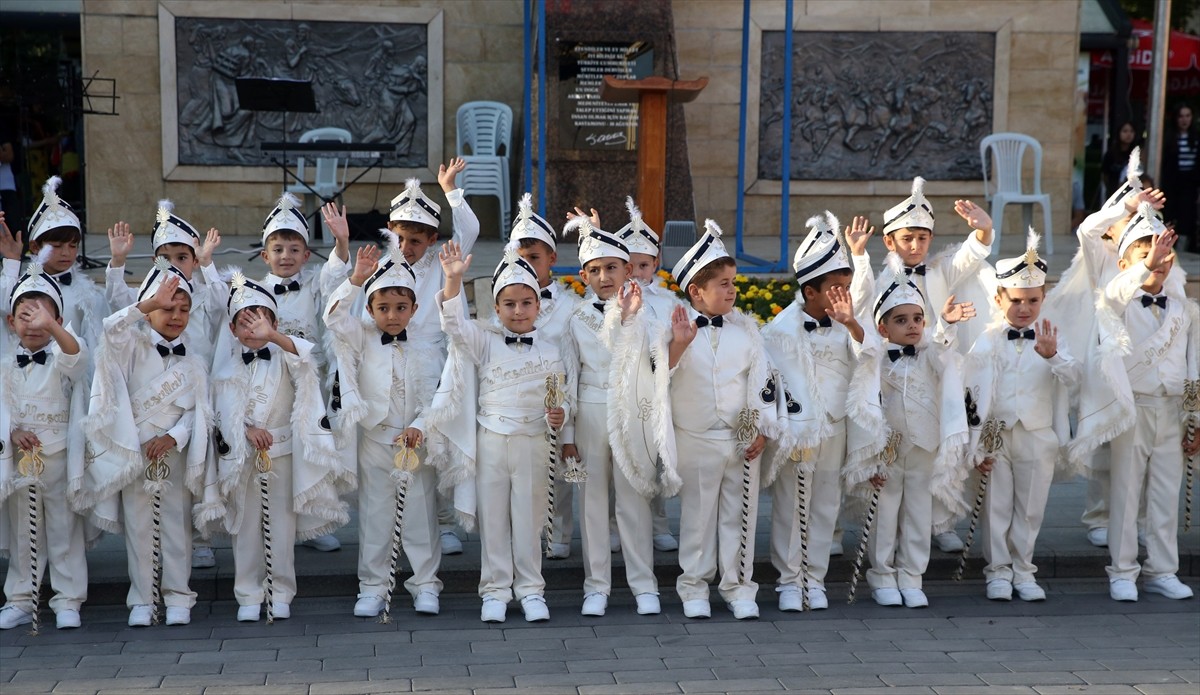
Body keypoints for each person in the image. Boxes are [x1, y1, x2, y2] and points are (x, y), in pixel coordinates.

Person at [848, 177, 995, 554]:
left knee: (944, 441)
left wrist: (984, 230)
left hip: (940, 367)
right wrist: (859, 257)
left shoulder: (941, 269)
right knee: (899, 458)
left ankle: (939, 519)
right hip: (896, 374)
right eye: (907, 238)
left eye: (922, 238)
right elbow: (862, 304)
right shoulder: (882, 277)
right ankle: (886, 532)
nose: (915, 246)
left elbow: (970, 256)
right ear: (890, 241)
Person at [429, 240, 571, 624]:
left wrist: (561, 414)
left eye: (526, 303)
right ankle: (493, 590)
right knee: (493, 519)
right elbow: (453, 324)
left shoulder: (552, 350)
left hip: (534, 444)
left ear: (538, 306)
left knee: (530, 518)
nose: (519, 311)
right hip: (492, 441)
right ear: (496, 308)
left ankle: (531, 589)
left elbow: (563, 396)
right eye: (509, 304)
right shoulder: (484, 340)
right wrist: (453, 280)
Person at [659, 220, 784, 620]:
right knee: (697, 517)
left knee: (741, 515)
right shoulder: (675, 330)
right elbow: (658, 376)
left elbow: (762, 380)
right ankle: (694, 586)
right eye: (723, 284)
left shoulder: (746, 332)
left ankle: (738, 585)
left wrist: (763, 429)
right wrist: (678, 346)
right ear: (696, 292)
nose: (732, 289)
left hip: (739, 439)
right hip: (695, 438)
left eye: (733, 281)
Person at [761, 212, 883, 612]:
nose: (843, 296)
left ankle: (815, 577)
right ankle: (789, 579)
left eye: (847, 288)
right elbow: (773, 384)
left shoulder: (850, 322)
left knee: (825, 505)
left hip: (835, 428)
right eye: (835, 289)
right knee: (791, 504)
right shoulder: (780, 330)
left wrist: (852, 325)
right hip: (799, 431)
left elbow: (870, 358)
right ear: (809, 291)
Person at [210, 273, 347, 622]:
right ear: (231, 328)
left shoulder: (285, 354)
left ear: (274, 323)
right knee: (245, 528)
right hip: (244, 457)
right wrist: (246, 430)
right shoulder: (225, 364)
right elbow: (221, 412)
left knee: (281, 529)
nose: (252, 330)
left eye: (261, 322)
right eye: (244, 323)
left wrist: (274, 337)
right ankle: (248, 593)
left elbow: (307, 360)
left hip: (282, 455)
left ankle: (281, 590)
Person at [83, 262, 213, 627]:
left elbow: (201, 412)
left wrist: (175, 436)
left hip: (174, 452)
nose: (175, 316)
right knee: (139, 529)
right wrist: (146, 303)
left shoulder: (195, 359)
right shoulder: (130, 347)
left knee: (176, 528)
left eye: (183, 309)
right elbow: (112, 328)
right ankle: (142, 597)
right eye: (166, 308)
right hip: (135, 451)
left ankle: (178, 595)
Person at [1046, 152, 1165, 549]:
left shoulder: (1154, 251)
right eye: (1124, 221)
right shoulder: (1102, 256)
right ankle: (1099, 514)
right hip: (1106, 361)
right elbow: (1087, 230)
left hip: (1147, 363)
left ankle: (1142, 517)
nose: (1129, 226)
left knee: (1144, 451)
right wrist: (1124, 205)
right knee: (1104, 444)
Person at [324, 238, 446, 618]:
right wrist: (356, 281)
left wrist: (420, 426)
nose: (392, 316)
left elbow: (440, 394)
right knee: (376, 516)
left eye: (400, 308)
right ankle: (373, 585)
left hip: (413, 442)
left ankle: (426, 584)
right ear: (371, 308)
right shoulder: (361, 336)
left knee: (420, 516)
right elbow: (332, 319)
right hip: (375, 441)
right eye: (383, 308)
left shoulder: (428, 346)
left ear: (414, 308)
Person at [850, 256, 973, 609]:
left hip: (924, 447)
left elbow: (942, 349)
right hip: (888, 450)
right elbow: (863, 396)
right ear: (883, 327)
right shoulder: (875, 357)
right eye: (901, 320)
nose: (913, 326)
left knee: (918, 513)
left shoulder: (931, 353)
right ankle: (883, 575)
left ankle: (912, 575)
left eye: (918, 319)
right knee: (884, 514)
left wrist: (945, 324)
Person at [965, 229, 1080, 602]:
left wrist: (1052, 357)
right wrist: (976, 442)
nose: (1024, 308)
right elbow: (972, 393)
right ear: (999, 299)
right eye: (1016, 300)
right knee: (996, 506)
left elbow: (1075, 380)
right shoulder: (986, 339)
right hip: (997, 434)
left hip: (1037, 431)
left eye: (1032, 299)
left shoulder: (1053, 337)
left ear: (1043, 298)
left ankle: (1023, 570)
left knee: (1030, 507)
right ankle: (997, 571)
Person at [1094, 209, 1197, 602]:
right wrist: (1143, 269)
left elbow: (1193, 366)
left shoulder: (1183, 309)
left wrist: (1195, 418)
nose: (1157, 261)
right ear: (1124, 264)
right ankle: (1122, 571)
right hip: (1132, 408)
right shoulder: (1115, 301)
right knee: (1124, 490)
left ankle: (1162, 569)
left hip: (1171, 410)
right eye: (1145, 254)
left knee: (1165, 494)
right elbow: (1114, 295)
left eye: (1164, 255)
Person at [559, 218, 659, 617]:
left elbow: (652, 367)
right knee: (592, 503)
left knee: (633, 501)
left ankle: (643, 584)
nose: (604, 277)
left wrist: (630, 317)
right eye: (595, 270)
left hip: (632, 414)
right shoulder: (576, 317)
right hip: (589, 417)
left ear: (628, 270)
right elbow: (569, 376)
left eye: (612, 267)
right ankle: (596, 585)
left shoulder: (647, 313)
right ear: (583, 275)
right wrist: (568, 434)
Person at [382, 159, 478, 557]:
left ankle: (441, 521)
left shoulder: (441, 265)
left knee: (435, 441)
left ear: (432, 240)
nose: (407, 248)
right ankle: (396, 520)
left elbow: (470, 229)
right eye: (402, 239)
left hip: (435, 363)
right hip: (390, 363)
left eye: (416, 241)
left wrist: (449, 188)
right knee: (397, 439)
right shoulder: (383, 269)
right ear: (392, 234)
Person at [255, 192, 352, 552]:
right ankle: (274, 521)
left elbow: (335, 276)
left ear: (307, 255)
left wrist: (341, 241)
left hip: (309, 382)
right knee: (278, 452)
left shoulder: (314, 284)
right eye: (278, 249)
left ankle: (312, 521)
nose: (286, 256)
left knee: (310, 448)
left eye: (294, 249)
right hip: (272, 382)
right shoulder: (255, 291)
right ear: (265, 255)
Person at [0, 259, 90, 630]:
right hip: (22, 459)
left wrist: (54, 327)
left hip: (58, 458)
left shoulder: (62, 357)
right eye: (25, 315)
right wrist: (13, 432)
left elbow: (76, 356)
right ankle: (21, 597)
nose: (33, 325)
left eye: (43, 317)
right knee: (25, 530)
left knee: (63, 529)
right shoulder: (5, 364)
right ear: (10, 322)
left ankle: (68, 598)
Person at [508, 193, 580, 560]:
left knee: (558, 469)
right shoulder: (506, 301)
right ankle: (524, 532)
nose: (528, 266)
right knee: (523, 471)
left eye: (535, 258)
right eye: (521, 259)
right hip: (519, 396)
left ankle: (559, 530)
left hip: (556, 394)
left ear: (552, 258)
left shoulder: (570, 306)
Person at [614, 197, 680, 553]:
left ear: (656, 263)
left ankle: (658, 521)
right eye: (629, 265)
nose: (637, 272)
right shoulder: (613, 302)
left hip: (657, 390)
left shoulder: (670, 302)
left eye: (644, 264)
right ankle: (613, 522)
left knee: (656, 457)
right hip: (623, 388)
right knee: (620, 456)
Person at [0, 176, 107, 352]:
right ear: (34, 246)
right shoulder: (21, 287)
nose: (66, 253)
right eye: (57, 246)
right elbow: (4, 310)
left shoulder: (90, 296)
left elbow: (96, 346)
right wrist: (12, 262)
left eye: (73, 246)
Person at [1160, 104, 1199, 251]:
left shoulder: (1195, 137)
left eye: (1188, 116)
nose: (1184, 120)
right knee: (1170, 214)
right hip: (1172, 182)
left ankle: (1184, 248)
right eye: (1181, 116)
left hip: (1190, 183)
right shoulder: (1169, 137)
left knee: (1187, 216)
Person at [1101, 122, 1141, 203]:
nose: (1128, 134)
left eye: (1131, 131)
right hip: (1114, 194)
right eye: (1125, 131)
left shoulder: (1138, 153)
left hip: (1133, 195)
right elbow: (1105, 175)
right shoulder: (1111, 154)